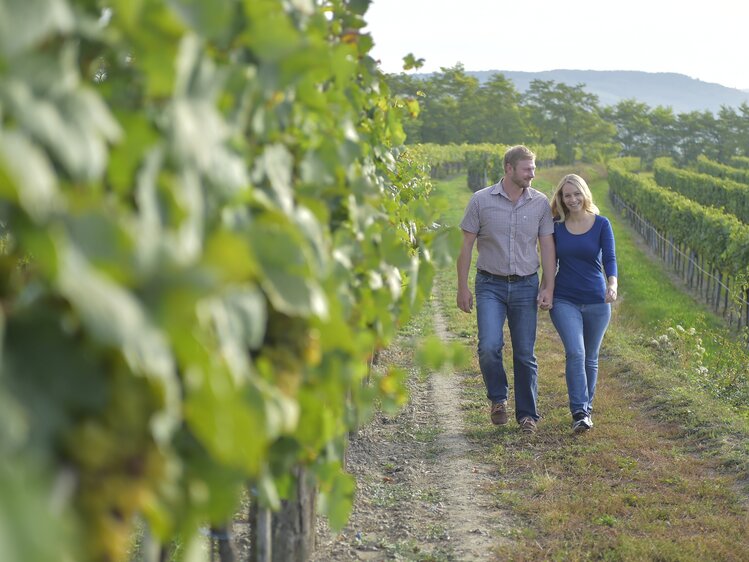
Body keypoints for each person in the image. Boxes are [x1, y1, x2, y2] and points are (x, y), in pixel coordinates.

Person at [457, 145, 556, 434]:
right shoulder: (480, 201)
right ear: (509, 169)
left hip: (526, 284)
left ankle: (528, 416)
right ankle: (498, 399)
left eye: (534, 169)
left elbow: (547, 246)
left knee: (525, 353)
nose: (532, 174)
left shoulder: (539, 203)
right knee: (489, 346)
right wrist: (462, 287)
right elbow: (465, 246)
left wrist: (549, 285)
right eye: (527, 169)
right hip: (490, 284)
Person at [548, 174, 618, 433]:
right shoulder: (556, 226)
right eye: (567, 195)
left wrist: (612, 284)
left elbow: (609, 258)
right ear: (561, 199)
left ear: (584, 194)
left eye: (576, 193)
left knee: (591, 358)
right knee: (575, 353)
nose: (573, 199)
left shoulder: (602, 224)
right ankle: (579, 410)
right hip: (564, 299)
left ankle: (586, 411)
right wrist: (546, 289)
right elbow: (549, 262)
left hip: (597, 301)